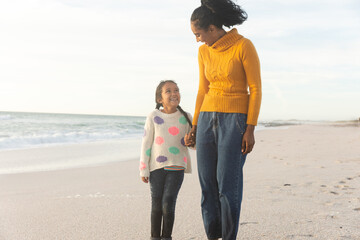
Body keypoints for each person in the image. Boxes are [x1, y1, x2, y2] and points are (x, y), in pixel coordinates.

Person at [186, 0, 262, 239]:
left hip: (235, 121)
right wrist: (195, 126)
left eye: (198, 34)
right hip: (207, 119)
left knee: (227, 187)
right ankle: (213, 236)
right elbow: (202, 90)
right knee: (208, 186)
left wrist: (250, 129)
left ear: (212, 28)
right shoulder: (203, 52)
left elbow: (255, 89)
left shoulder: (244, 46)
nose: (197, 39)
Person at [139, 80, 193, 240]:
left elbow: (194, 144)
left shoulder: (186, 117)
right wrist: (143, 168)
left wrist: (190, 141)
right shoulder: (153, 116)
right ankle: (155, 237)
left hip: (177, 165)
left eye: (176, 90)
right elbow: (146, 143)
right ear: (159, 99)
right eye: (168, 91)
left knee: (168, 204)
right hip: (156, 167)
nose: (173, 93)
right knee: (156, 205)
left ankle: (167, 236)